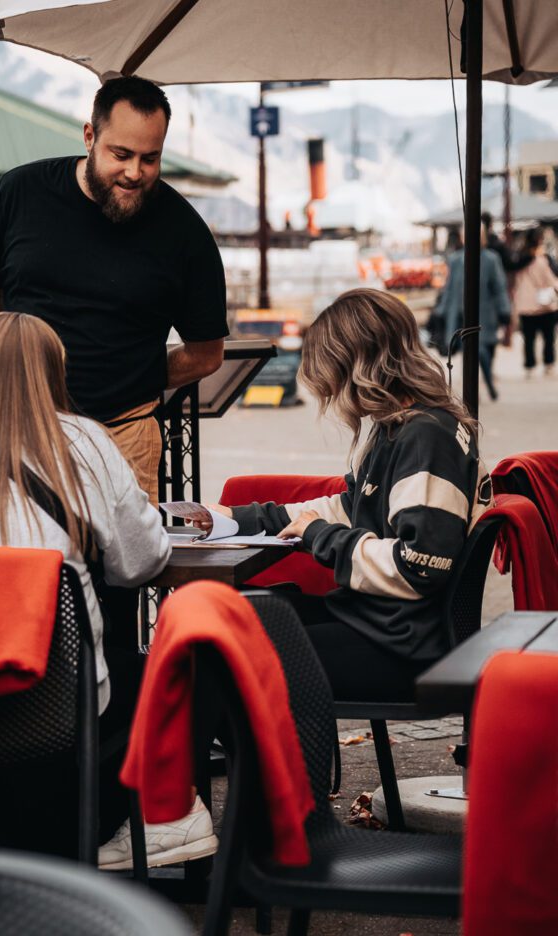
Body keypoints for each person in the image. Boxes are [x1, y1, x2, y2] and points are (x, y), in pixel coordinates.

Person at [0, 312, 217, 866]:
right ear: (55, 373)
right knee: (169, 670)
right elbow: (140, 561)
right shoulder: (85, 442)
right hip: (53, 701)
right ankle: (148, 818)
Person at [202, 289, 492, 702]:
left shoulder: (425, 437)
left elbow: (417, 567)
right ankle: (263, 762)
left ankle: (275, 765)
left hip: (402, 648)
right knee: (232, 623)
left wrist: (321, 536)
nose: (334, 394)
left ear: (359, 367)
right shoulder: (401, 426)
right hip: (381, 626)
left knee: (231, 652)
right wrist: (236, 518)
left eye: (334, 377)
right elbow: (348, 508)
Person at [0, 76, 228, 507]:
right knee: (25, 564)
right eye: (120, 154)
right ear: (90, 136)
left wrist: (130, 376)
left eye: (150, 158)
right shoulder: (18, 193)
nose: (134, 172)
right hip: (24, 425)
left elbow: (206, 354)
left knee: (124, 573)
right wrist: (26, 365)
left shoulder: (186, 232)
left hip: (127, 434)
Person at [436, 226, 511, 401]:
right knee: (469, 352)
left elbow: (499, 287)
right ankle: (472, 390)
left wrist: (504, 309)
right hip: (460, 316)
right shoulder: (455, 260)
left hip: (484, 315)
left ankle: (488, 380)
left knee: (484, 351)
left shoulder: (491, 259)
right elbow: (449, 288)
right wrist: (442, 310)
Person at [511, 227, 558, 377]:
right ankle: (548, 364)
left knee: (529, 339)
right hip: (545, 305)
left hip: (526, 305)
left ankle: (529, 366)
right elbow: (550, 279)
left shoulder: (518, 260)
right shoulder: (543, 259)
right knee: (548, 337)